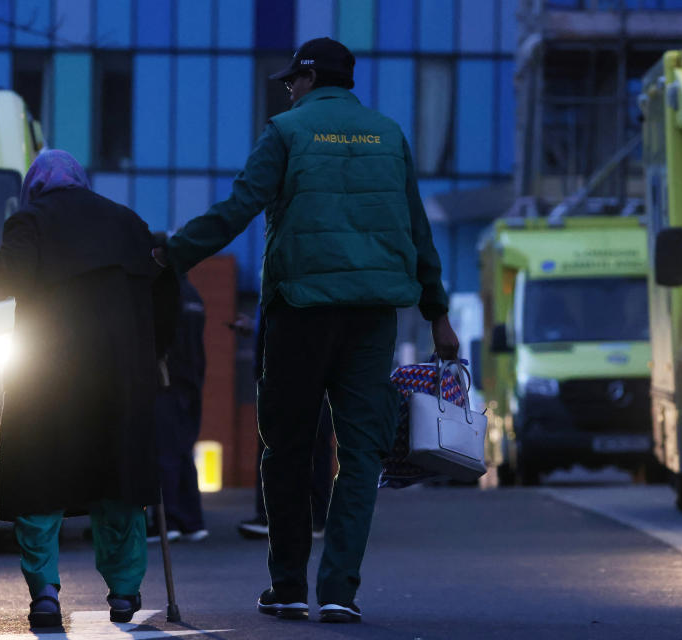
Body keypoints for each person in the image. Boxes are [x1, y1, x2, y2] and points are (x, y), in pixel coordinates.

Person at [154, 38, 459, 623]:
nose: (288, 89)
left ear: (312, 77)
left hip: (301, 311)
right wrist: (436, 312)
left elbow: (240, 206)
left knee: (287, 448)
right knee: (362, 450)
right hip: (372, 317)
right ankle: (341, 589)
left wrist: (174, 253)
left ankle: (289, 584)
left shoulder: (288, 132)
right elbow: (418, 229)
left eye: (292, 79)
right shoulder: (389, 135)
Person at [0, 150, 178, 628]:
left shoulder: (31, 219)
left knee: (39, 482)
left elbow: (7, 275)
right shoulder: (128, 223)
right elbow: (162, 290)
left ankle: (44, 593)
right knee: (117, 484)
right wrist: (155, 355)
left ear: (37, 184)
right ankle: (124, 593)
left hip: (48, 378)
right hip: (118, 379)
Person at [237, 315, 333, 540]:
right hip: (293, 365)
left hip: (296, 365)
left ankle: (291, 515)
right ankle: (300, 515)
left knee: (295, 440)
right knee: (300, 440)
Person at [150, 274, 209, 543]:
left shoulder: (166, 294)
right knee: (183, 451)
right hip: (191, 382)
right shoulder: (194, 294)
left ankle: (169, 521)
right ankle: (192, 521)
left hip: (167, 382)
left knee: (165, 453)